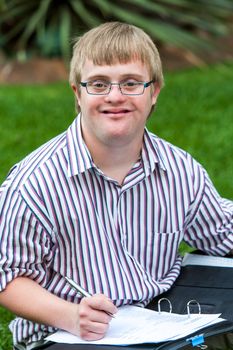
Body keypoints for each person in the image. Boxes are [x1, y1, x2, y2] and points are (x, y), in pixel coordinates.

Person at [0, 21, 232, 350]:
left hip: (160, 318)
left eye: (131, 83)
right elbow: (9, 276)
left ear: (154, 92)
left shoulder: (180, 170)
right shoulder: (34, 183)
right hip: (68, 333)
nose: (115, 96)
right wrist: (69, 315)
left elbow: (222, 231)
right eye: (98, 84)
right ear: (77, 93)